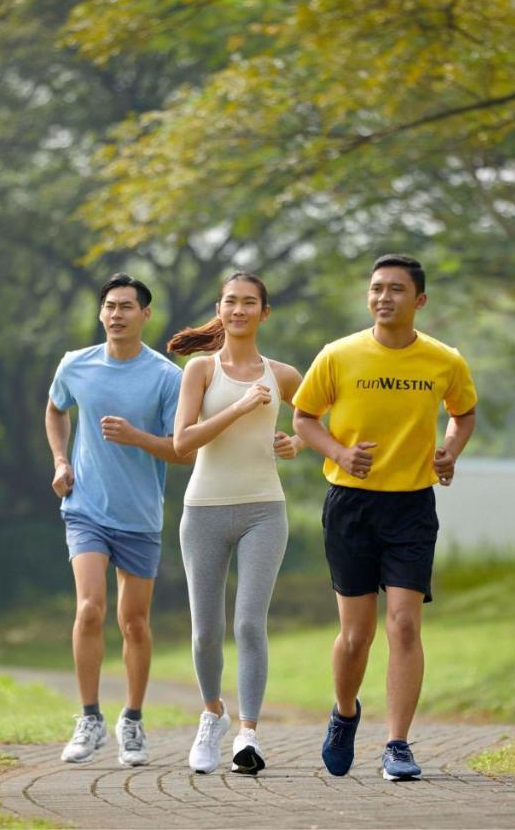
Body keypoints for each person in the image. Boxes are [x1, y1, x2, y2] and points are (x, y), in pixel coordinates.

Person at [291, 254, 477, 781]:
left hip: (412, 505)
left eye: (396, 289)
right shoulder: (338, 355)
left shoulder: (444, 360)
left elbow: (463, 414)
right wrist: (340, 451)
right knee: (356, 635)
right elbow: (304, 419)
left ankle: (397, 745)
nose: (383, 298)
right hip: (351, 504)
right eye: (376, 289)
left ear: (419, 300)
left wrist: (450, 451)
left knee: (404, 623)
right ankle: (345, 713)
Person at [45, 272, 195, 767]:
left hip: (140, 516)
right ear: (100, 312)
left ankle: (131, 720)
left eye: (126, 306)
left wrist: (136, 438)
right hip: (86, 508)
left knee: (134, 623)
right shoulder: (76, 364)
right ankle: (88, 718)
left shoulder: (166, 377)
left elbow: (181, 451)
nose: (116, 314)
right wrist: (61, 462)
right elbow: (55, 409)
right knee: (90, 608)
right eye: (109, 306)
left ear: (145, 315)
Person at [167, 272, 304, 775]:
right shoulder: (201, 370)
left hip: (264, 510)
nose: (240, 310)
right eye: (231, 302)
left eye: (250, 303)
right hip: (203, 511)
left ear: (264, 312)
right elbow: (182, 443)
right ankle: (212, 716)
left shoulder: (283, 374)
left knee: (248, 623)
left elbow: (316, 420)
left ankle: (249, 735)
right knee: (206, 631)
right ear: (220, 309)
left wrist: (297, 443)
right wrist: (242, 406)